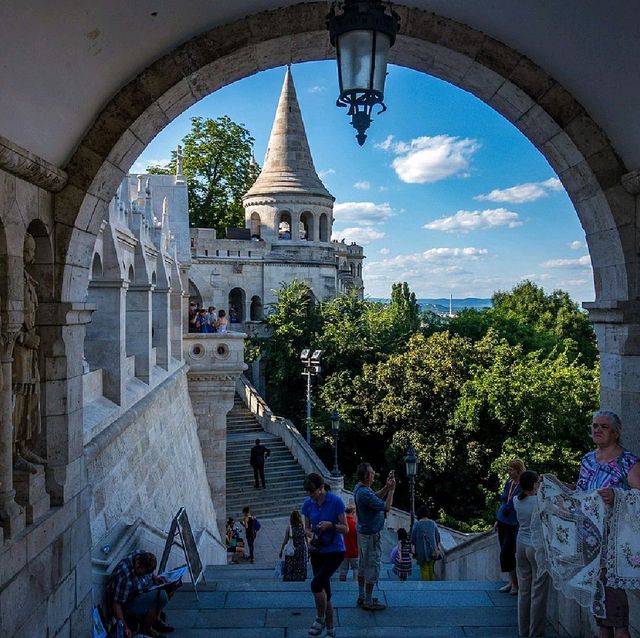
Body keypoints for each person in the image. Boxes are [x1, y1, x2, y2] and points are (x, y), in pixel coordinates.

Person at [575, 410, 640, 638]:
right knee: (602, 619)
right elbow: (581, 495)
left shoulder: (628, 462)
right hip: (592, 547)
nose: (597, 430)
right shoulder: (587, 460)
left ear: (616, 432)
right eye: (594, 426)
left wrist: (617, 496)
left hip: (614, 550)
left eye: (603, 426)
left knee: (618, 619)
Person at [301, 473, 347, 638]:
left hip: (335, 551)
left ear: (321, 488)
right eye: (308, 493)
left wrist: (330, 525)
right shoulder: (307, 504)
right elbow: (306, 528)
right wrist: (312, 534)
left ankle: (319, 619)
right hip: (317, 551)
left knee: (315, 584)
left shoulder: (335, 501)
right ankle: (330, 630)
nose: (310, 495)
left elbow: (345, 528)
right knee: (324, 590)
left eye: (312, 492)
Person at [353, 462, 396, 610]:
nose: (374, 473)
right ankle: (368, 601)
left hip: (363, 532)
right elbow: (387, 507)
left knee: (362, 565)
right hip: (371, 535)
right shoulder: (364, 493)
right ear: (366, 476)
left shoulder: (360, 488)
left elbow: (374, 497)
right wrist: (391, 490)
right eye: (372, 472)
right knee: (371, 566)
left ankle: (361, 595)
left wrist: (386, 487)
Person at [107, 549, 178, 637]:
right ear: (138, 565)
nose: (145, 575)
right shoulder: (124, 576)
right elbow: (116, 603)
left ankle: (156, 619)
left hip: (144, 589)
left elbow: (150, 573)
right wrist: (125, 627)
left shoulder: (140, 554)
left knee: (172, 587)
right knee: (161, 596)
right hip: (130, 604)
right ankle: (147, 629)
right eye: (144, 573)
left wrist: (155, 577)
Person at [513, 470, 548, 638]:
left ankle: (523, 631)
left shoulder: (516, 501)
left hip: (520, 545)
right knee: (538, 593)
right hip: (537, 547)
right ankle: (535, 633)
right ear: (535, 484)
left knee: (524, 591)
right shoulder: (540, 502)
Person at [496, 458, 525, 594]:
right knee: (504, 551)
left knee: (508, 552)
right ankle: (510, 581)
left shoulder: (522, 486)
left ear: (518, 470)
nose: (509, 472)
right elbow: (504, 501)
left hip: (513, 523)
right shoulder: (509, 483)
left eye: (511, 470)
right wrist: (497, 519)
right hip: (502, 521)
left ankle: (515, 584)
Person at [410, 504, 441, 581]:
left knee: (424, 568)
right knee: (430, 566)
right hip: (432, 549)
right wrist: (437, 546)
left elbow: (413, 537)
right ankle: (430, 582)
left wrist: (413, 545)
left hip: (420, 550)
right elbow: (437, 536)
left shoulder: (417, 524)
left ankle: (426, 585)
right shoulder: (432, 523)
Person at [278, 510, 308, 581]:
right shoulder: (302, 527)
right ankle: (300, 580)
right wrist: (308, 550)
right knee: (300, 567)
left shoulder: (290, 528)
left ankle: (290, 579)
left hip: (292, 551)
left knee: (291, 567)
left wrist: (281, 551)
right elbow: (306, 539)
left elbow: (285, 541)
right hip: (301, 551)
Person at [339, 501, 358, 582]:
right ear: (353, 512)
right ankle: (355, 586)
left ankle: (343, 586)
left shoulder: (341, 524)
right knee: (356, 569)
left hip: (343, 551)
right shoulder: (355, 524)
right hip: (354, 551)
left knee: (343, 571)